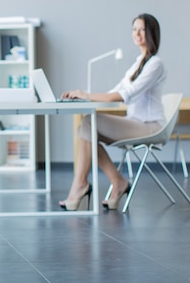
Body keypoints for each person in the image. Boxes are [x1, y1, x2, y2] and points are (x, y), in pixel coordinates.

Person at [59, 13, 166, 211]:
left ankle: (82, 185)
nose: (137, 33)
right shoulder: (138, 63)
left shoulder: (155, 64)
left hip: (150, 127)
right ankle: (116, 182)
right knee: (87, 128)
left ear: (152, 33)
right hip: (136, 123)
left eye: (142, 29)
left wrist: (88, 95)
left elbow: (127, 94)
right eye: (134, 29)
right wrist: (84, 96)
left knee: (88, 124)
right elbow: (115, 91)